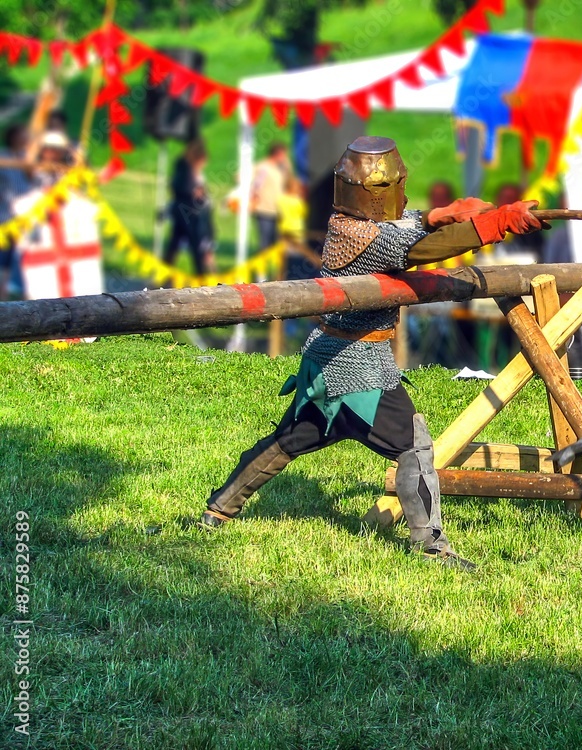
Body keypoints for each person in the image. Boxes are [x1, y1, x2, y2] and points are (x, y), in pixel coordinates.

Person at [200, 136, 545, 569]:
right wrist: (498, 223)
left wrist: (440, 214)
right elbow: (423, 249)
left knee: (289, 439)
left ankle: (217, 510)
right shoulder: (366, 238)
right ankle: (432, 546)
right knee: (414, 446)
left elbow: (403, 230)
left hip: (325, 362)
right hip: (356, 369)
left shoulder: (348, 227)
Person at [165, 138, 211, 276]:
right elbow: (179, 186)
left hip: (190, 211)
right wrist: (194, 191)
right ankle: (200, 275)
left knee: (176, 245)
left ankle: (166, 274)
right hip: (186, 211)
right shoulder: (184, 166)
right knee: (192, 244)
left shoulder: (194, 171)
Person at [0, 124, 33, 301]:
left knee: (24, 258)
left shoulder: (28, 158)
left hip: (26, 218)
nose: (24, 139)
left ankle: (23, 294)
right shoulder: (3, 157)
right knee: (3, 259)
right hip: (5, 216)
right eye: (21, 136)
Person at [251, 143, 289, 252]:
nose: (285, 158)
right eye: (283, 155)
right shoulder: (264, 168)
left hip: (278, 211)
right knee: (265, 242)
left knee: (276, 242)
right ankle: (261, 268)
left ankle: (274, 268)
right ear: (277, 154)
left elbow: (289, 182)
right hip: (264, 210)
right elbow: (253, 182)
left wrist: (287, 166)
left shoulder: (280, 169)